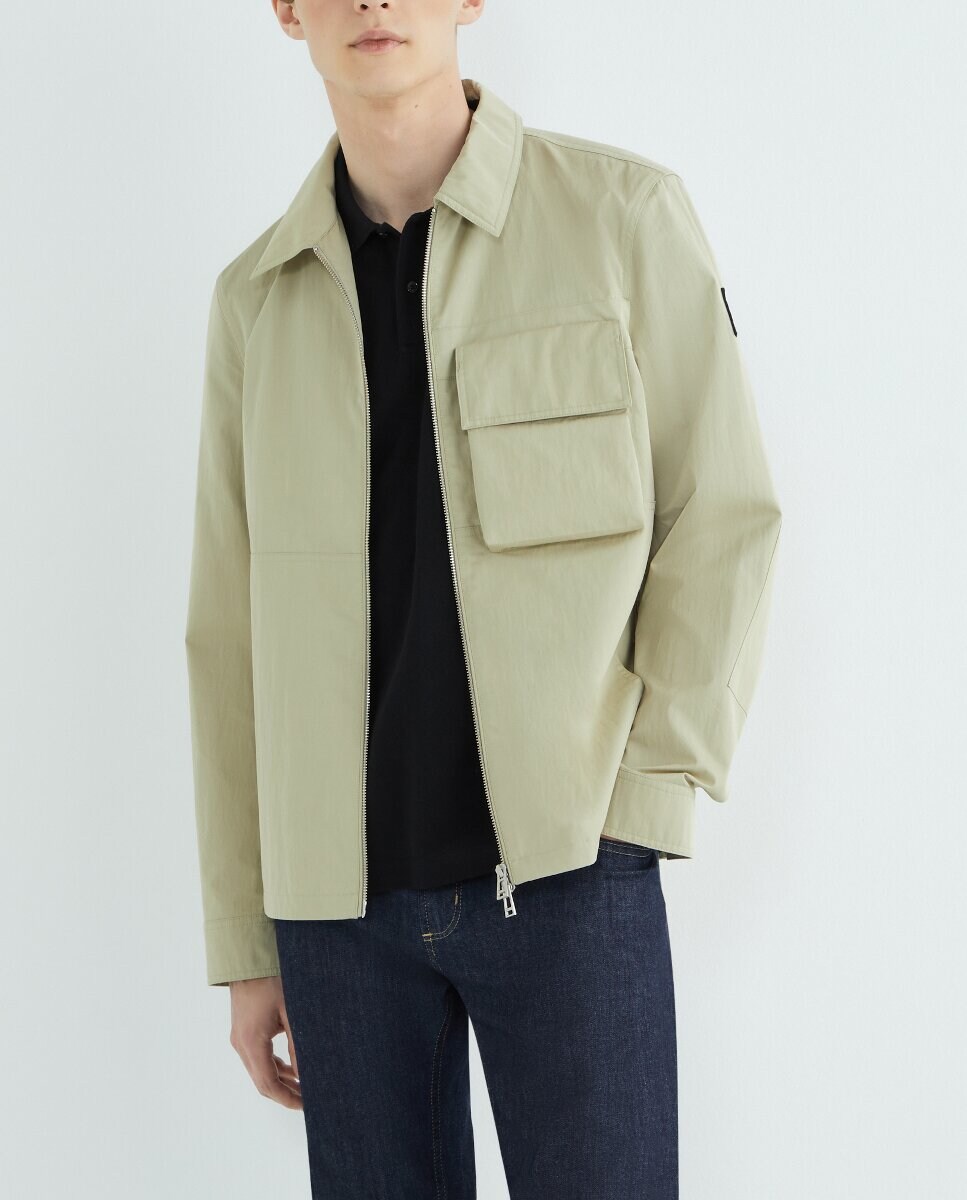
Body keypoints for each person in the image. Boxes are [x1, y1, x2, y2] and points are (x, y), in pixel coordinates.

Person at [183, 2, 782, 1195]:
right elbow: (227, 633)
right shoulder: (256, 300)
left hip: (568, 876)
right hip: (337, 918)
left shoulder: (620, 218)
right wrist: (251, 935)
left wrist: (642, 800)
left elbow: (721, 518)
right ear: (286, 10)